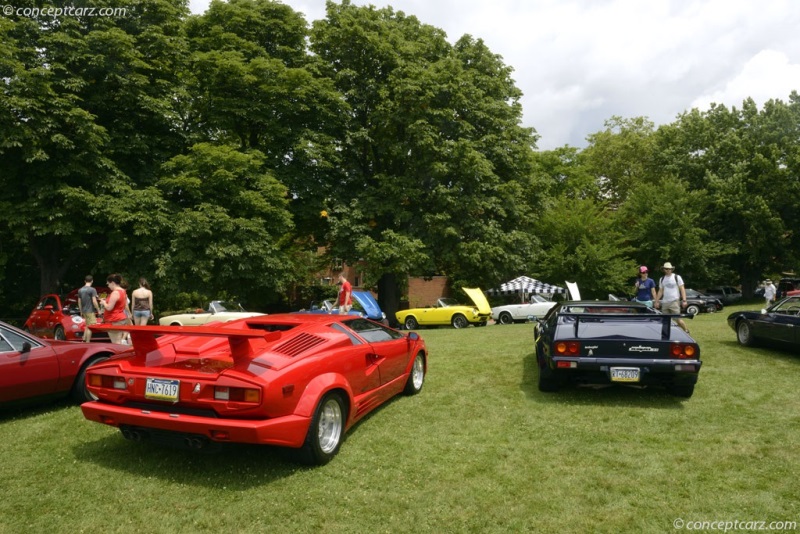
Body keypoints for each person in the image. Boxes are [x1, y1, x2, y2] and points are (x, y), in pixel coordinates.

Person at [655, 262, 690, 333]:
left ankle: (686, 331)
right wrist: (657, 301)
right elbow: (660, 291)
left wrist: (684, 300)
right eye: (666, 269)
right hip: (665, 302)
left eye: (669, 269)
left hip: (674, 301)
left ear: (672, 269)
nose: (668, 270)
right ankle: (666, 335)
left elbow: (682, 288)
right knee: (665, 321)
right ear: (664, 269)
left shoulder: (677, 277)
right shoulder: (662, 279)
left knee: (678, 319)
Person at [99, 273, 129, 344]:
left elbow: (109, 308)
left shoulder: (115, 293)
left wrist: (103, 302)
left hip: (114, 319)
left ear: (112, 283)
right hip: (120, 318)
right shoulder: (123, 291)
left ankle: (120, 354)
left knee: (116, 342)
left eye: (108, 284)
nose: (108, 286)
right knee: (118, 341)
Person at [77, 275, 101, 342]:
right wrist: (98, 309)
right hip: (90, 310)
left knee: (87, 325)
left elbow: (79, 301)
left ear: (85, 281)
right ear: (92, 281)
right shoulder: (92, 290)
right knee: (91, 326)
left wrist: (81, 310)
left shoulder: (80, 290)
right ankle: (87, 342)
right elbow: (94, 301)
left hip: (84, 310)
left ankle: (84, 340)